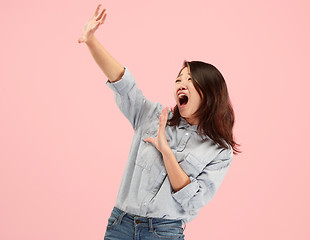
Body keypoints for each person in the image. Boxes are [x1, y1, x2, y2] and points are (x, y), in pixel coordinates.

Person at [78, 4, 241, 240]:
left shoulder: (220, 151)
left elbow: (191, 201)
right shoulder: (153, 116)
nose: (180, 84)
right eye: (178, 79)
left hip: (164, 232)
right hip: (120, 224)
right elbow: (124, 85)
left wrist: (166, 152)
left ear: (210, 92)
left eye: (190, 80)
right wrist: (91, 41)